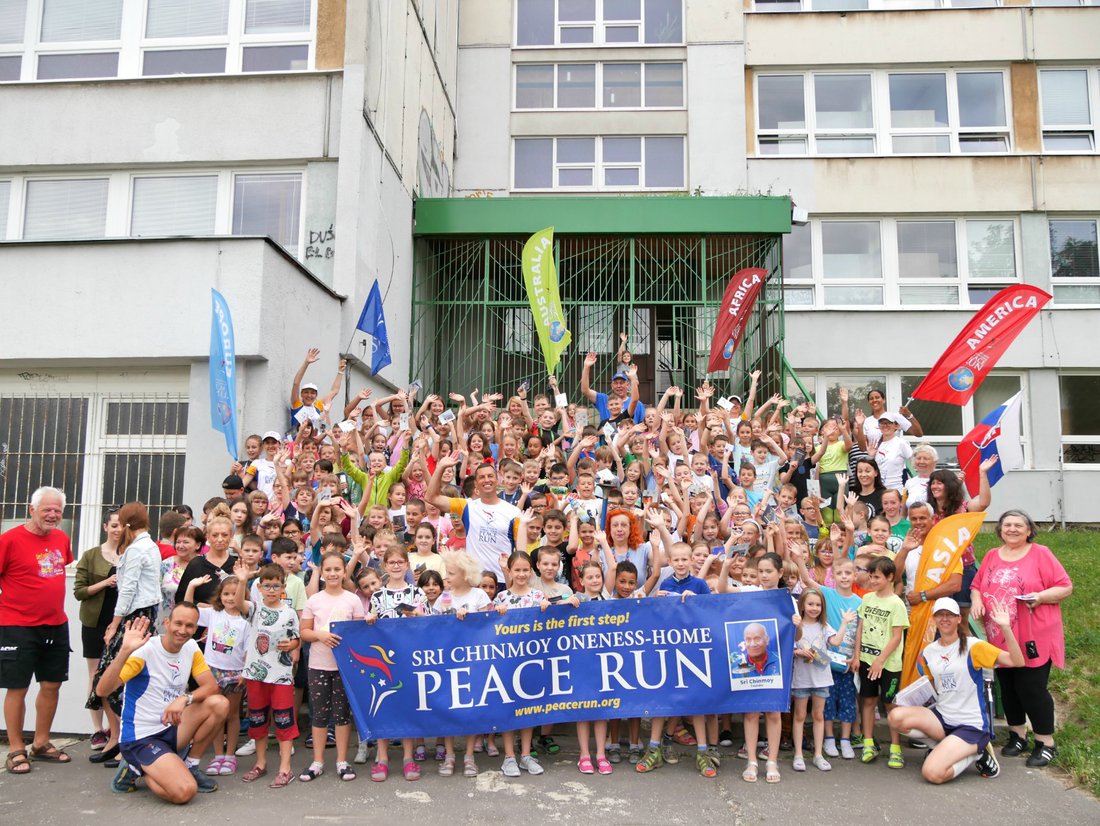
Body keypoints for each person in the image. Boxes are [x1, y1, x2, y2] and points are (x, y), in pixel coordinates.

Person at [971, 510, 1072, 768]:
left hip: (1033, 633)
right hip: (1000, 633)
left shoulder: (1041, 553)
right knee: (1008, 685)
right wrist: (977, 602)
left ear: (1029, 531)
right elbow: (976, 585)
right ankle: (1017, 735)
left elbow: (1065, 586)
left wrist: (1040, 597)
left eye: (1018, 525)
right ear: (1000, 530)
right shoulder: (992, 555)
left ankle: (1045, 742)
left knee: (1031, 687)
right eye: (1007, 525)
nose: (1012, 529)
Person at [887, 597, 1025, 784]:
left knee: (932, 773)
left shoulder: (973, 646)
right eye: (940, 615)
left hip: (970, 724)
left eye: (950, 615)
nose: (945, 619)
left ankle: (977, 753)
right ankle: (945, 747)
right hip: (943, 717)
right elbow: (933, 686)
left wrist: (1006, 628)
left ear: (959, 618)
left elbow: (1017, 661)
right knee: (896, 716)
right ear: (934, 619)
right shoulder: (929, 652)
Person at [97, 609, 229, 801]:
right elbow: (103, 690)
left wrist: (184, 699)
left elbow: (211, 686)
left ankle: (191, 765)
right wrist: (125, 651)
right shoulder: (144, 651)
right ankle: (135, 767)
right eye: (178, 623)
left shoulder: (191, 647)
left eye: (189, 626)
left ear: (195, 629)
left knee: (219, 704)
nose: (183, 630)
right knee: (184, 792)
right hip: (142, 737)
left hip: (172, 726)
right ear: (167, 623)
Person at [0, 486, 74, 775]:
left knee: (52, 684)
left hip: (55, 623)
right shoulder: (9, 540)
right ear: (32, 510)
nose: (53, 515)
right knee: (17, 687)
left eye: (58, 510)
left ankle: (41, 743)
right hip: (17, 625)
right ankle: (16, 748)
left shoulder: (61, 538)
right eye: (47, 509)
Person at [86, 501, 163, 769]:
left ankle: (125, 741)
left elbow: (128, 589)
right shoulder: (149, 546)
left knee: (115, 678)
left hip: (134, 617)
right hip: (145, 615)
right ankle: (116, 739)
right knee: (116, 677)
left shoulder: (137, 549)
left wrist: (114, 624)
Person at [299, 552, 365, 783]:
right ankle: (317, 761)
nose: (333, 573)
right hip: (318, 665)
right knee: (319, 714)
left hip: (344, 666)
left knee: (342, 714)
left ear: (345, 571)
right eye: (328, 569)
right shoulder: (314, 600)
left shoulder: (352, 600)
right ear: (322, 572)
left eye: (337, 569)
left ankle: (342, 761)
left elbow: (359, 632)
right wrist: (320, 635)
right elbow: (304, 632)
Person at [240, 564, 301, 788]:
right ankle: (260, 763)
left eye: (276, 586)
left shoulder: (289, 612)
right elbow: (238, 604)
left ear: (283, 587)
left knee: (284, 720)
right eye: (267, 586)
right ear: (259, 587)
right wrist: (241, 580)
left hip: (281, 675)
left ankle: (285, 768)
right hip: (256, 674)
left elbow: (297, 639)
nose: (272, 590)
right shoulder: (255, 609)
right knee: (257, 719)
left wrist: (291, 645)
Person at [426, 452, 521, 589]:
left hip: (503, 580)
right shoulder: (467, 506)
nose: (486, 480)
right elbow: (431, 497)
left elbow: (519, 550)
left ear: (497, 480)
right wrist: (440, 467)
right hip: (475, 581)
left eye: (490, 476)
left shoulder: (513, 512)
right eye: (482, 477)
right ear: (476, 484)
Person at [74, 506, 122, 750]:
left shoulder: (131, 553)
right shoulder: (91, 555)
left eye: (122, 525)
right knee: (95, 673)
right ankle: (97, 729)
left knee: (120, 673)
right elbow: (79, 591)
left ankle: (118, 728)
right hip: (95, 622)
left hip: (122, 622)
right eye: (113, 525)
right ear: (105, 527)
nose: (118, 530)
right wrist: (105, 582)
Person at [854, 555, 909, 768]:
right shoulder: (867, 599)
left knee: (890, 703)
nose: (872, 580)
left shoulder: (897, 604)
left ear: (890, 577)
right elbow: (860, 628)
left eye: (877, 577)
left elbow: (896, 637)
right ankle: (868, 743)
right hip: (866, 660)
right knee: (867, 700)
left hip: (889, 664)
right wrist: (857, 655)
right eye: (870, 576)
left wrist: (880, 660)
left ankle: (896, 748)